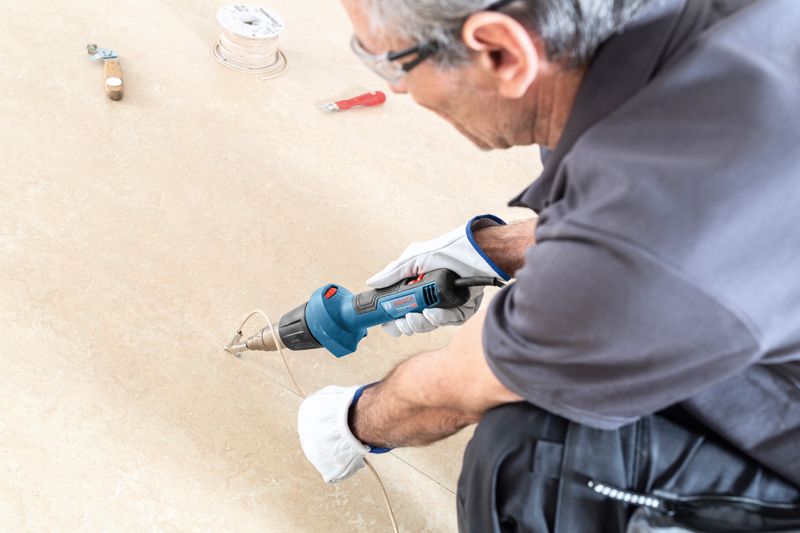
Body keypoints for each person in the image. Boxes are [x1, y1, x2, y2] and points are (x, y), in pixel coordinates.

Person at [297, 0, 800, 530]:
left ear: (502, 50)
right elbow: (707, 209)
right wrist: (497, 248)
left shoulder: (643, 246)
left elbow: (460, 385)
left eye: (394, 64)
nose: (397, 88)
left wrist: (355, 421)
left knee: (528, 463)